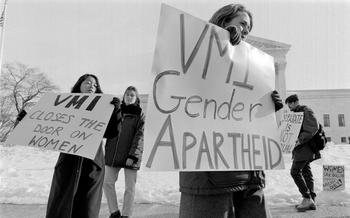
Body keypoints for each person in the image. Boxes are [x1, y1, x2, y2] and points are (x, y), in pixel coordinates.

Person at [179, 4, 284, 218]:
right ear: (224, 21)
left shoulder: (250, 66)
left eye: (249, 28)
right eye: (242, 24)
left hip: (250, 173)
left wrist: (267, 106)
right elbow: (186, 90)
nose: (246, 31)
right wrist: (219, 43)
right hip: (210, 174)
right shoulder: (195, 51)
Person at [45, 74, 107, 218]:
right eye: (88, 83)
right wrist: (26, 120)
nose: (92, 86)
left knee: (86, 208)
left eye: (95, 85)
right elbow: (51, 126)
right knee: (62, 205)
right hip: (69, 161)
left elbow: (112, 132)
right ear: (79, 85)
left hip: (92, 164)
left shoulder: (104, 107)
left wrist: (115, 112)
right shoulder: (65, 106)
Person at [103, 86, 145, 218]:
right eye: (127, 94)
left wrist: (132, 156)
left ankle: (126, 215)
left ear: (136, 98)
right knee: (107, 182)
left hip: (130, 156)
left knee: (129, 188)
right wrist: (114, 110)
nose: (129, 97)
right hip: (113, 154)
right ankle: (114, 212)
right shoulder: (116, 111)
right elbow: (106, 131)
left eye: (132, 95)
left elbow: (140, 137)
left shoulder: (140, 115)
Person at [285, 94, 319, 212]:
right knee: (306, 172)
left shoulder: (305, 111)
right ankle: (311, 200)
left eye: (290, 103)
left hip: (305, 148)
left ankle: (307, 197)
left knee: (295, 172)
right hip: (301, 149)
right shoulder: (296, 113)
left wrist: (299, 139)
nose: (288, 106)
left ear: (295, 102)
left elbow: (313, 127)